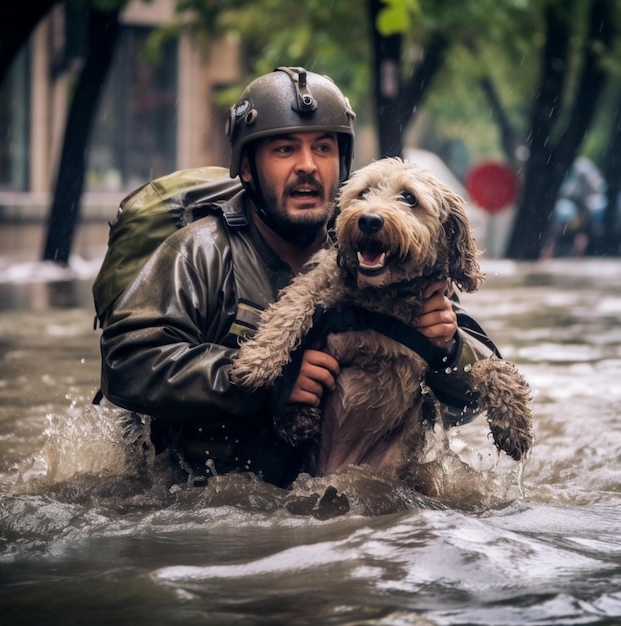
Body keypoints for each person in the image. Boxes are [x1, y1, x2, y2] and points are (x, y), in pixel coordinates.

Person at [100, 67, 498, 488]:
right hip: (207, 504)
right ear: (249, 168)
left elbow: (475, 397)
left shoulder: (380, 254)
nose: (308, 166)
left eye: (323, 148)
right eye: (285, 149)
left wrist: (448, 350)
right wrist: (267, 385)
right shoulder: (199, 251)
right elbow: (127, 364)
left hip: (339, 503)